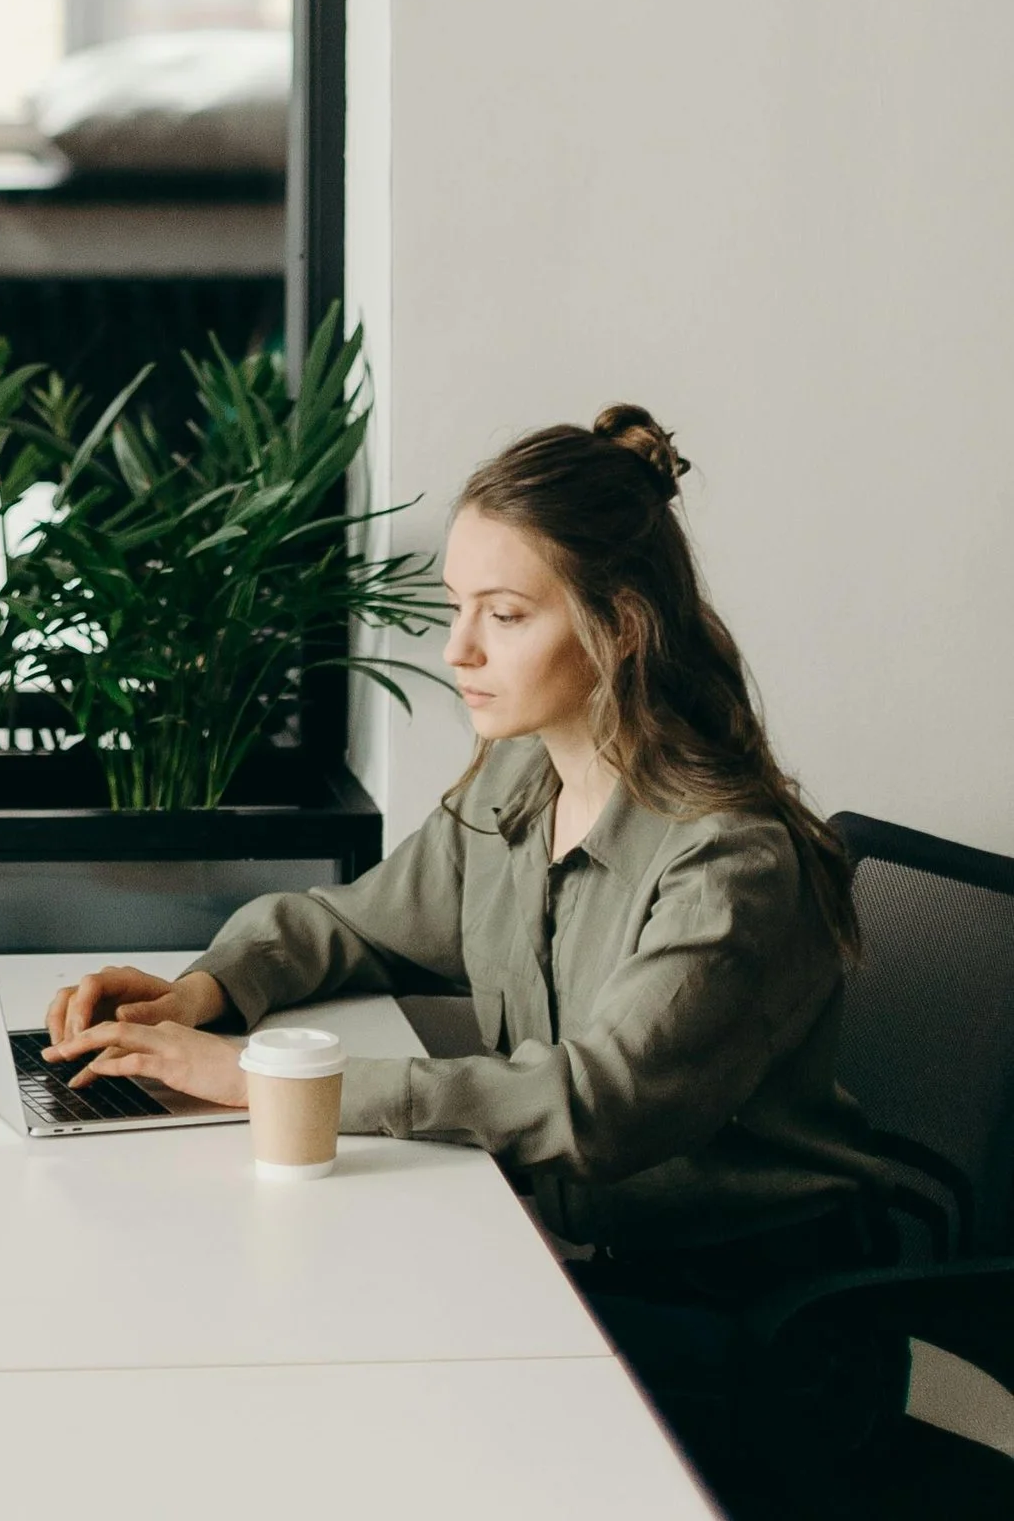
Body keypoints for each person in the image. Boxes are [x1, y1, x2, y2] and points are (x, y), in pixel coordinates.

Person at [45, 405, 907, 1510]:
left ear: (619, 628)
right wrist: (206, 988)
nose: (457, 648)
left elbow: (597, 1103)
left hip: (759, 1330)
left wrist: (265, 1080)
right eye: (458, 608)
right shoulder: (520, 780)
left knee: (350, 1378)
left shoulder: (728, 862)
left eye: (502, 613)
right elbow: (357, 921)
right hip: (586, 1267)